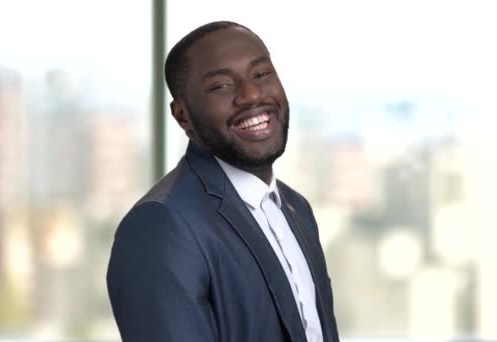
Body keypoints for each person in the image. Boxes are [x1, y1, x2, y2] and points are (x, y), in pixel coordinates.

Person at [107, 21, 339, 342]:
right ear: (182, 116)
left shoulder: (297, 208)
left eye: (261, 74)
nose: (252, 94)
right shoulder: (160, 225)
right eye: (220, 86)